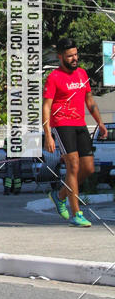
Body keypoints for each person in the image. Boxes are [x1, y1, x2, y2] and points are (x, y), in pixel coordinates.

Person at [43, 37, 107, 227]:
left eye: (76, 54)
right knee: (73, 166)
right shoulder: (54, 77)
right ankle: (76, 213)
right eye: (70, 56)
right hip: (62, 124)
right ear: (60, 56)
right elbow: (46, 107)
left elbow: (90, 101)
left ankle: (60, 195)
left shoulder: (82, 74)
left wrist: (100, 123)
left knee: (88, 168)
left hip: (80, 123)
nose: (74, 58)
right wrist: (48, 134)